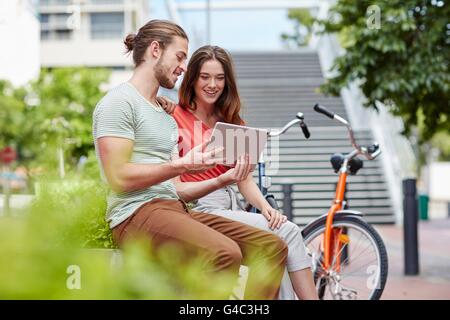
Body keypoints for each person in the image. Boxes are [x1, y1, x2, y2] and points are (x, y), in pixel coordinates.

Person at [92, 20, 288, 300]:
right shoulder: (118, 102)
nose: (184, 67)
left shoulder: (164, 116)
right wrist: (183, 164)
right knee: (225, 252)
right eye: (180, 56)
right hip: (134, 214)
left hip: (175, 209)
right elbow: (119, 178)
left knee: (271, 247)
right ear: (156, 50)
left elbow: (174, 186)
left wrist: (220, 177)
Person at [161, 45, 318, 300]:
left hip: (232, 206)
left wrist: (265, 207)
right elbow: (174, 186)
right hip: (199, 207)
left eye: (220, 78)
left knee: (282, 235)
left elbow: (244, 180)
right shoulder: (172, 117)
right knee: (287, 232)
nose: (213, 84)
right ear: (192, 80)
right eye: (205, 77)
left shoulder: (232, 123)